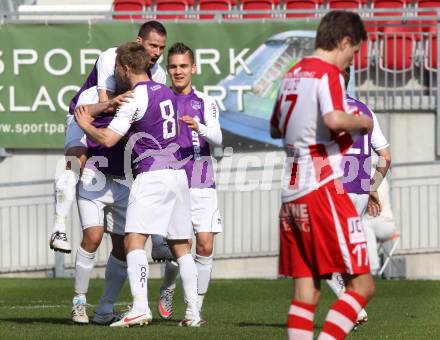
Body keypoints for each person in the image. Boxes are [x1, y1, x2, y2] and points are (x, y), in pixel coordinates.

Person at [75, 42, 202, 327]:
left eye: (119, 69)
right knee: (181, 246)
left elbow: (107, 139)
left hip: (152, 175)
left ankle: (141, 307)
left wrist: (85, 124)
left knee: (133, 241)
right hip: (178, 176)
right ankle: (193, 313)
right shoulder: (167, 91)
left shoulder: (134, 97)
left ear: (126, 68)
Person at [271, 11, 375, 339]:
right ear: (344, 41)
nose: (351, 61)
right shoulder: (326, 72)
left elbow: (275, 127)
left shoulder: (292, 73)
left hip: (291, 191)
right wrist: (363, 122)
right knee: (362, 285)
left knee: (307, 294)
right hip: (322, 185)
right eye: (353, 51)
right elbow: (333, 120)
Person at [49, 21, 168, 254]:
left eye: (162, 48)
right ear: (139, 42)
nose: (157, 52)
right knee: (76, 158)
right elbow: (107, 101)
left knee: (149, 164)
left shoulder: (159, 74)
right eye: (153, 45)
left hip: (119, 119)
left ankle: (158, 238)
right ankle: (59, 226)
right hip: (88, 111)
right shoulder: (110, 57)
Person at [156, 42, 222, 321]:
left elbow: (218, 138)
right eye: (173, 66)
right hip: (174, 184)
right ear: (167, 69)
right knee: (180, 250)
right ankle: (170, 287)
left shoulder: (206, 102)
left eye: (184, 66)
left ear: (193, 68)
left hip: (203, 181)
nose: (179, 71)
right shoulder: (160, 100)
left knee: (205, 246)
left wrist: (200, 127)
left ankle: (195, 308)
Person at [325, 67, 391, 325]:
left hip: (334, 189)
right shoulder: (365, 110)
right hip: (360, 191)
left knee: (318, 254)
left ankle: (352, 307)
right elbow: (386, 157)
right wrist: (373, 186)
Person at [70, 87, 133, 325]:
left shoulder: (137, 98)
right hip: (94, 177)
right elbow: (79, 113)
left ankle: (105, 309)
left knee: (124, 246)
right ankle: (79, 301)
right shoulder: (91, 97)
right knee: (93, 237)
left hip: (124, 180)